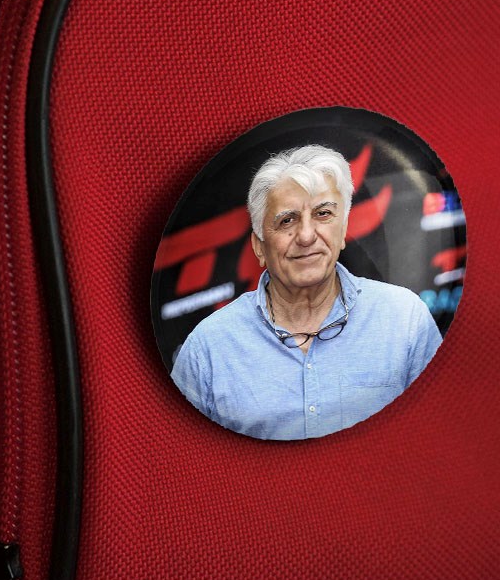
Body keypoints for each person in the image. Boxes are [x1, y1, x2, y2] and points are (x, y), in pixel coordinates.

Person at [170, 145, 441, 440]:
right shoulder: (207, 349)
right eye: (287, 220)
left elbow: (441, 435)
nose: (307, 236)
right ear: (259, 246)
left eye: (323, 214)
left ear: (343, 229)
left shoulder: (405, 319)